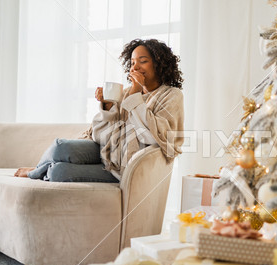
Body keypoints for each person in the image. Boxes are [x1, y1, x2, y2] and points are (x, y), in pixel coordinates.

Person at [14, 39, 184, 182]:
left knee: (59, 172)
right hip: (107, 151)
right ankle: (38, 169)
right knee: (60, 147)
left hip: (126, 167)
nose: (135, 67)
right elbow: (99, 137)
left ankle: (39, 171)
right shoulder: (125, 94)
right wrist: (108, 107)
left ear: (159, 63)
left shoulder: (171, 95)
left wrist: (135, 95)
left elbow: (154, 137)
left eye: (143, 61)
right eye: (132, 62)